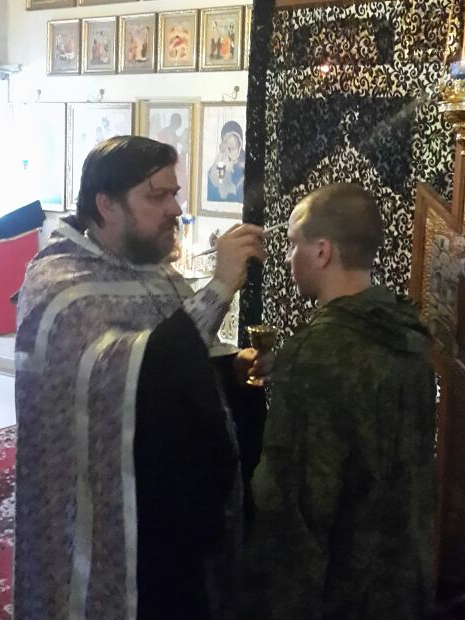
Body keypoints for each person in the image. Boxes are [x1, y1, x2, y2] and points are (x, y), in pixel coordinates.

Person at [14, 135, 270, 620]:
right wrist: (220, 287)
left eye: (174, 193)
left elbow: (175, 360)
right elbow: (137, 372)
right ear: (106, 204)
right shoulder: (60, 287)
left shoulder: (158, 272)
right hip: (114, 510)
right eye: (157, 196)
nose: (175, 209)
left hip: (175, 513)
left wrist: (227, 370)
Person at [239, 183, 436, 620]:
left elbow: (291, 508)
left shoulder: (315, 352)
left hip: (340, 595)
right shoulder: (409, 337)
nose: (288, 257)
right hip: (403, 584)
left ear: (322, 251)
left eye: (294, 244)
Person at [207, 120, 245, 203]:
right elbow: (214, 179)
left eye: (233, 137)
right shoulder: (221, 157)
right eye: (228, 138)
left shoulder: (245, 159)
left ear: (239, 139)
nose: (231, 141)